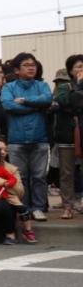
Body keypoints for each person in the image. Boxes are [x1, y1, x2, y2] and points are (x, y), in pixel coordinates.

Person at [1, 52, 53, 222]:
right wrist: (36, 105)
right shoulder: (9, 87)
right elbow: (8, 105)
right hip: (16, 139)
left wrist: (24, 101)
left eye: (33, 64)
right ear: (16, 70)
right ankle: (23, 208)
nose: (31, 67)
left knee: (39, 176)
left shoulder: (42, 85)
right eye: (26, 65)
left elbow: (47, 98)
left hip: (40, 138)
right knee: (19, 177)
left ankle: (38, 207)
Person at [51, 59, 83, 218]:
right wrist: (78, 86)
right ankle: (68, 205)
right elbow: (64, 101)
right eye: (78, 66)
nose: (81, 69)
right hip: (67, 135)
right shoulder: (64, 87)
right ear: (71, 70)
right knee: (67, 173)